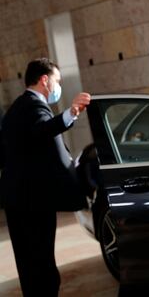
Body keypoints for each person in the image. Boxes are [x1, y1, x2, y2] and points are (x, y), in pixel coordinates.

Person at [0, 58, 91, 297]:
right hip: (34, 201)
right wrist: (71, 113)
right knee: (42, 264)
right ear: (44, 80)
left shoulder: (17, 108)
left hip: (17, 198)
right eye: (56, 81)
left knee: (28, 264)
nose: (57, 86)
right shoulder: (34, 106)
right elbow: (43, 129)